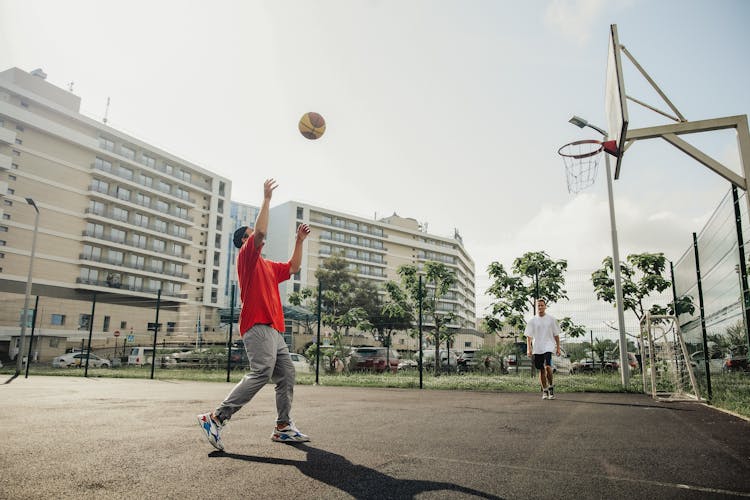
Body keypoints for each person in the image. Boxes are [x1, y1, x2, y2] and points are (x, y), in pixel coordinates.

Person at [198, 178, 311, 451]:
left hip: (274, 330)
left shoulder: (268, 266)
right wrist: (267, 199)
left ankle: (283, 426)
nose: (258, 237)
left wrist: (299, 240)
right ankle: (215, 417)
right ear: (244, 241)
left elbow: (293, 267)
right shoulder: (246, 257)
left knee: (286, 374)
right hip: (257, 325)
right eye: (251, 234)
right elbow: (260, 233)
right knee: (261, 372)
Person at [525, 298, 561, 400]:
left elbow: (556, 335)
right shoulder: (532, 321)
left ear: (545, 306)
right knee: (541, 369)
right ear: (537, 308)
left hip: (548, 346)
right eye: (538, 306)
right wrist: (529, 349)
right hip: (537, 347)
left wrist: (558, 347)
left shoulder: (551, 319)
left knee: (548, 367)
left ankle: (551, 387)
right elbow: (529, 337)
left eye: (542, 305)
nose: (540, 307)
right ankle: (545, 390)